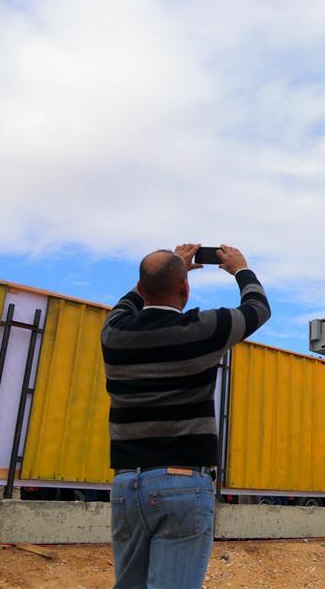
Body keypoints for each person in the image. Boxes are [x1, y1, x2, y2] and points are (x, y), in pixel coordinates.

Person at [101, 244, 270, 589]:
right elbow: (258, 309)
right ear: (185, 289)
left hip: (125, 486)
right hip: (182, 482)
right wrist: (241, 269)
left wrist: (175, 266)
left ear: (141, 287)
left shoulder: (113, 333)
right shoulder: (204, 329)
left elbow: (127, 302)